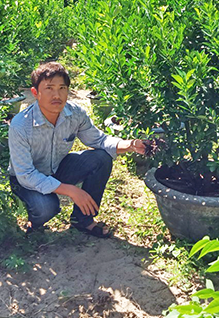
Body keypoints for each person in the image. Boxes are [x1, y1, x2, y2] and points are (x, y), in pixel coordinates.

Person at [8, 62, 146, 238]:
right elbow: (26, 174)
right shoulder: (21, 125)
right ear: (35, 93)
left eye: (62, 88)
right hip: (26, 179)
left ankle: (83, 220)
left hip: (57, 168)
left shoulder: (75, 114)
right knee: (46, 208)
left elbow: (99, 140)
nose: (56, 95)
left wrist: (131, 145)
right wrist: (71, 190)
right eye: (49, 88)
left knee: (101, 158)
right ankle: (35, 222)